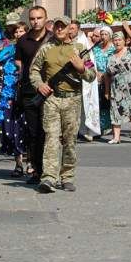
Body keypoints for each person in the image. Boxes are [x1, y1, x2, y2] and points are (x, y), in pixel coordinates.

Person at [30, 15, 96, 192]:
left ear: (69, 29)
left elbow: (91, 75)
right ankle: (49, 177)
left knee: (69, 139)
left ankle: (67, 176)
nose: (59, 29)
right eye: (57, 26)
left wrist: (82, 68)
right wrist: (40, 85)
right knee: (51, 138)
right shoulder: (46, 48)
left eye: (63, 27)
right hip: (51, 99)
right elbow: (34, 70)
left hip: (72, 99)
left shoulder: (80, 48)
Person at [15, 6, 51, 184]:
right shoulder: (23, 40)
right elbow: (19, 64)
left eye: (39, 18)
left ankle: (50, 170)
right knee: (34, 132)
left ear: (45, 18)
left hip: (51, 91)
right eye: (33, 18)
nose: (36, 21)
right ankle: (37, 169)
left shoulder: (52, 39)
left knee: (50, 132)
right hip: (30, 92)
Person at [0, 13, 27, 175]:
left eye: (20, 30)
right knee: (13, 129)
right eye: (15, 30)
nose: (16, 33)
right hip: (10, 91)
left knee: (28, 128)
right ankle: (18, 164)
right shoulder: (5, 46)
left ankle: (31, 163)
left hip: (28, 91)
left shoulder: (32, 46)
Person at [86, 25, 115, 138]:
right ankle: (98, 126)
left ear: (110, 36)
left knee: (108, 101)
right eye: (101, 34)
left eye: (105, 34)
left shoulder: (113, 48)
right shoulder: (96, 48)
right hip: (97, 78)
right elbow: (89, 60)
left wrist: (106, 73)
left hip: (110, 78)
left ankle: (108, 125)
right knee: (98, 101)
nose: (103, 37)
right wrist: (94, 71)